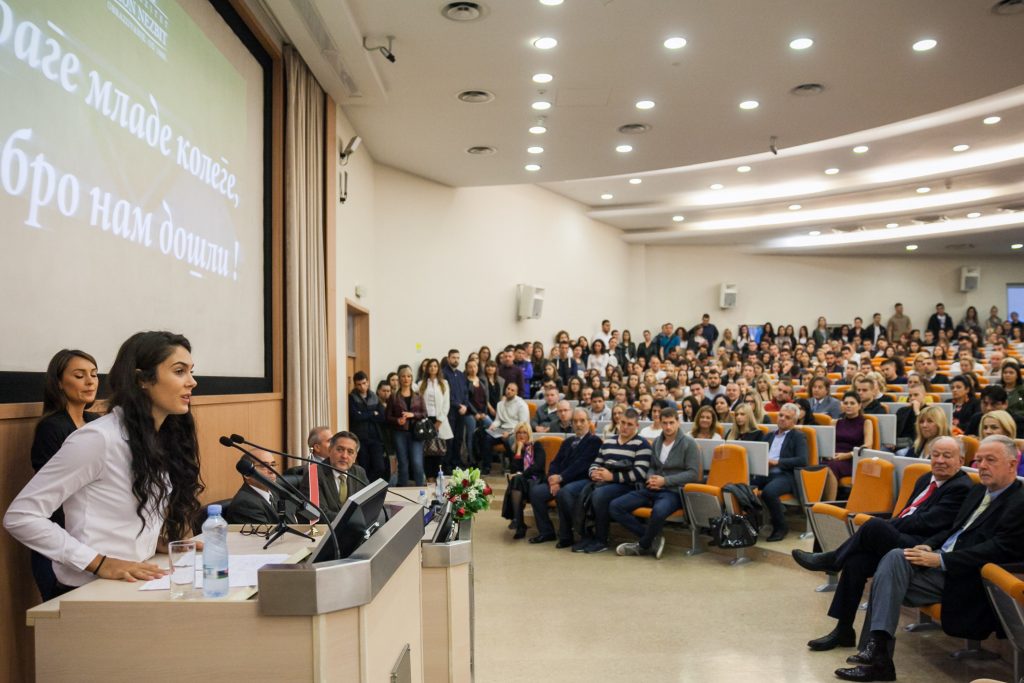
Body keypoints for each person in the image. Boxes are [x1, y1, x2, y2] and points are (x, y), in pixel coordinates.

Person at [5, 331, 203, 591]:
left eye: (190, 371)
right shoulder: (98, 439)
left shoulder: (158, 438)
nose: (192, 382)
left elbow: (119, 518)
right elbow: (21, 516)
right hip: (88, 589)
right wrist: (98, 562)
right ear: (142, 379)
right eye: (179, 371)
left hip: (132, 582)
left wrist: (153, 541)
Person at [833, 436, 1024, 682]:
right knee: (893, 559)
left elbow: (997, 549)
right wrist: (930, 545)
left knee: (888, 566)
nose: (982, 466)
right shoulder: (979, 491)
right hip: (941, 563)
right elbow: (955, 530)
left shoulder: (1019, 502)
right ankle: (878, 656)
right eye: (979, 460)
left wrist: (941, 560)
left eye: (991, 460)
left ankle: (877, 655)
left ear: (1012, 464)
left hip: (967, 577)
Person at [793, 437, 971, 652]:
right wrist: (891, 526)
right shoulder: (925, 479)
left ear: (961, 461)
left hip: (923, 547)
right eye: (936, 455)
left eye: (947, 456)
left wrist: (888, 525)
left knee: (875, 525)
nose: (940, 460)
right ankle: (843, 630)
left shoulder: (961, 487)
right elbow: (907, 514)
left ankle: (833, 559)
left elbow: (926, 522)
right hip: (904, 536)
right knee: (856, 562)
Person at [27, 349, 101, 599]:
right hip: (60, 541)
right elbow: (52, 494)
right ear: (59, 382)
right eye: (80, 376)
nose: (90, 382)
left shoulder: (97, 421)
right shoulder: (52, 427)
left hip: (92, 541)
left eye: (94, 374)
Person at [610, 407, 700, 559]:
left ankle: (643, 545)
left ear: (678, 422)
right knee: (615, 506)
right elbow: (651, 466)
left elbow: (693, 474)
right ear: (660, 423)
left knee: (658, 512)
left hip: (673, 492)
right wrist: (650, 477)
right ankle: (652, 539)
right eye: (665, 423)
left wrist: (665, 481)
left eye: (671, 423)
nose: (668, 427)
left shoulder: (689, 443)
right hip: (652, 488)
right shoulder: (657, 441)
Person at [568, 408, 652, 554]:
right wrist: (594, 473)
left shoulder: (642, 444)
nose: (625, 427)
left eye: (630, 424)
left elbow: (639, 473)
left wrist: (611, 477)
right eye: (623, 423)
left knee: (599, 494)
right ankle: (587, 535)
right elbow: (596, 463)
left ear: (637, 426)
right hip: (605, 482)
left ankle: (601, 540)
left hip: (629, 486)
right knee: (581, 492)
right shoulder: (609, 441)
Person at [528, 408, 602, 546]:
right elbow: (555, 462)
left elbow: (582, 465)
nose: (578, 424)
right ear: (571, 424)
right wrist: (552, 479)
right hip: (561, 480)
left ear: (589, 422)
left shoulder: (594, 441)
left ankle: (568, 535)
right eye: (575, 421)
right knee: (536, 492)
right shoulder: (568, 441)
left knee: (564, 492)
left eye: (582, 421)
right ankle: (546, 532)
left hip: (582, 480)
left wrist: (561, 478)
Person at [752, 403, 808, 541]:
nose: (782, 419)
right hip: (765, 472)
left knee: (769, 492)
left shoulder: (798, 436)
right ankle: (750, 524)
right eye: (781, 415)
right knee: (744, 486)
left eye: (787, 417)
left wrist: (777, 462)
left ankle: (781, 527)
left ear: (794, 421)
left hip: (785, 475)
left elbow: (802, 460)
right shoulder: (768, 435)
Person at [302, 430, 368, 522]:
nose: (344, 456)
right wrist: (353, 520)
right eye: (340, 450)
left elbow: (367, 505)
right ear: (330, 450)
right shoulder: (313, 474)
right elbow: (317, 514)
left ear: (355, 457)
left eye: (350, 452)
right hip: (326, 529)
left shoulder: (359, 472)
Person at [500, 423, 547, 539]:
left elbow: (538, 466)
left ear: (529, 434)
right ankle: (519, 524)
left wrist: (523, 474)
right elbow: (514, 469)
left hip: (536, 480)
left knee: (516, 481)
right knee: (516, 481)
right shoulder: (516, 449)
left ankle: (519, 523)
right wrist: (518, 451)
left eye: (524, 432)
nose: (521, 435)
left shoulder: (537, 446)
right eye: (519, 433)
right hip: (522, 482)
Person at [225, 448, 293, 525]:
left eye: (273, 465)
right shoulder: (246, 505)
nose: (272, 471)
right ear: (247, 474)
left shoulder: (275, 492)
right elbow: (269, 533)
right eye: (263, 466)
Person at [386, 365, 428, 486]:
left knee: (417, 463)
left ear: (412, 378)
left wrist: (413, 414)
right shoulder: (393, 397)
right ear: (399, 378)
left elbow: (425, 414)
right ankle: (403, 490)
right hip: (399, 433)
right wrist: (397, 420)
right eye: (403, 376)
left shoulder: (418, 395)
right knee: (403, 464)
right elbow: (388, 417)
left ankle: (421, 490)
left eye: (409, 376)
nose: (406, 379)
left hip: (416, 433)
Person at [348, 371, 388, 483]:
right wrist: (372, 413)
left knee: (380, 467)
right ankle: (366, 488)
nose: (362, 386)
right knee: (364, 467)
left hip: (375, 437)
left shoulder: (374, 397)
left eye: (364, 383)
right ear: (355, 385)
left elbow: (382, 416)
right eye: (359, 384)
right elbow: (356, 416)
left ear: (368, 382)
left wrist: (364, 414)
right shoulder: (352, 398)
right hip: (360, 437)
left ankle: (370, 486)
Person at [484, 382, 530, 473]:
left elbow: (522, 424)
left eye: (512, 390)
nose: (509, 391)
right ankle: (486, 467)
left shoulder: (521, 404)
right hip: (502, 430)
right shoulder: (500, 404)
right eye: (508, 389)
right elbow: (498, 420)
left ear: (516, 393)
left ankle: (513, 467)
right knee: (487, 438)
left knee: (508, 440)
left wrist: (509, 433)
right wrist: (493, 426)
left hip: (516, 431)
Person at [828, 392, 873, 479]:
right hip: (833, 456)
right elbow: (828, 443)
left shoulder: (866, 423)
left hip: (852, 459)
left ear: (859, 406)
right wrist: (829, 455)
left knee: (831, 467)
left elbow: (868, 445)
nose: (848, 406)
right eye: (845, 403)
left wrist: (848, 455)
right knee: (819, 465)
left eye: (852, 403)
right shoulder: (834, 422)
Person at [419, 359, 453, 465]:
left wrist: (439, 421)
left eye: (435, 366)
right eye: (430, 366)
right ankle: (429, 472)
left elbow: (446, 404)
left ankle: (441, 470)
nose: (433, 368)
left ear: (438, 368)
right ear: (427, 369)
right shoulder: (421, 384)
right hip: (426, 419)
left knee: (440, 447)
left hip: (440, 418)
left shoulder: (444, 383)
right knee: (427, 447)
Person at [442, 349, 470, 473]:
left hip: (462, 411)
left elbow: (465, 392)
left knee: (459, 438)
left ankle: (456, 462)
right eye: (453, 357)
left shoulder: (461, 374)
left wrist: (465, 406)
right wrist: (458, 406)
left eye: (458, 358)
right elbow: (446, 395)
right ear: (448, 358)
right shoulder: (443, 374)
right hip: (450, 411)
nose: (456, 360)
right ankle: (447, 465)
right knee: (450, 439)